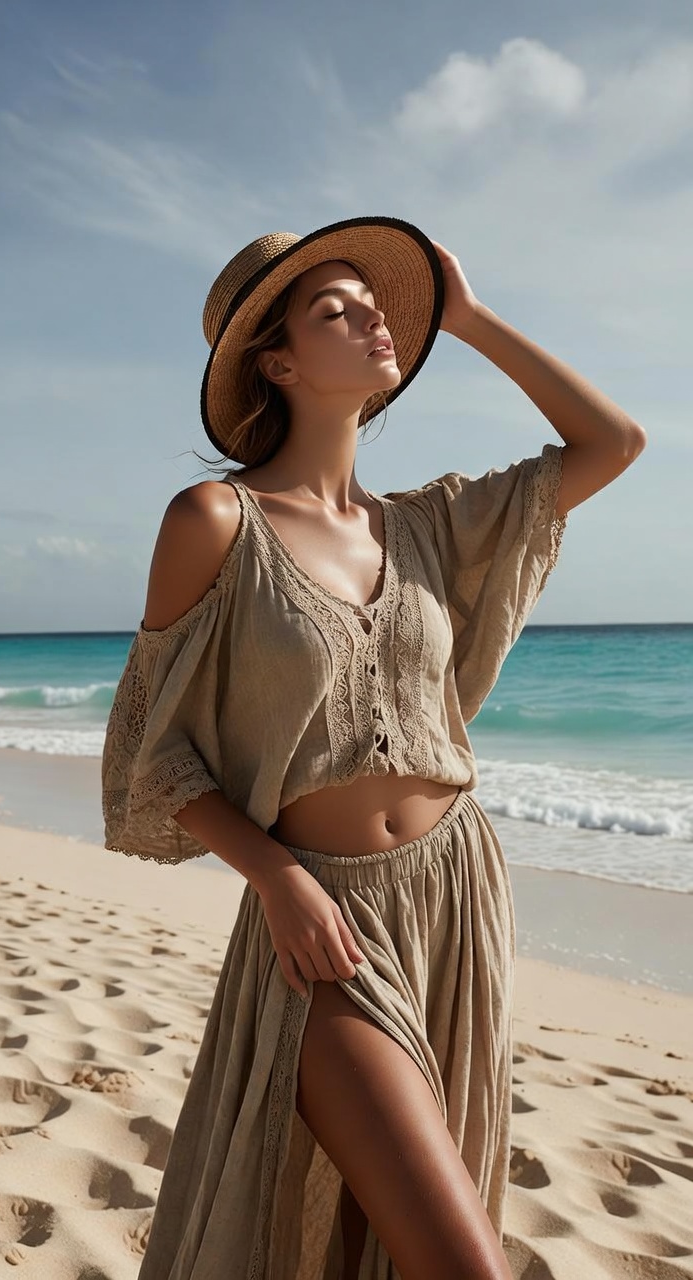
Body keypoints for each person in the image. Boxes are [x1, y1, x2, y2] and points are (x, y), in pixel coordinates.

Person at [101, 216, 646, 1280]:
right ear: (280, 361)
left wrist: (472, 317)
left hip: (455, 896)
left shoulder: (431, 526)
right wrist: (274, 877)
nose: (373, 320)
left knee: (397, 1245)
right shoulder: (216, 519)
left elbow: (612, 444)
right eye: (334, 309)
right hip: (324, 920)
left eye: (377, 302)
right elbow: (149, 757)